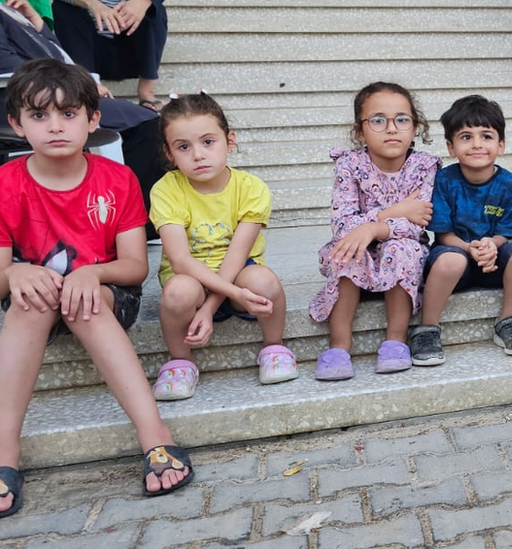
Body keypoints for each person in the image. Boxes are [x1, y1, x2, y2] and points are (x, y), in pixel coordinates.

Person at [0, 58, 191, 519]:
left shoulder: (118, 179)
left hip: (106, 296)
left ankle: (154, 436)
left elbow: (133, 268)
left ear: (93, 119)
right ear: (16, 124)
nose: (55, 127)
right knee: (28, 303)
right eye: (39, 115)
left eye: (69, 114)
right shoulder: (5, 183)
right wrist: (14, 274)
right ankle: (5, 455)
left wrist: (92, 274)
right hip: (34, 298)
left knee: (83, 303)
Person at [149, 93, 297, 400]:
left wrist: (212, 306)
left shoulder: (251, 188)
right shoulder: (166, 189)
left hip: (238, 274)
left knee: (264, 282)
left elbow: (238, 254)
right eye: (184, 147)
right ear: (169, 153)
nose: (198, 155)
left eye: (208, 141)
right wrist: (214, 300)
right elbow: (180, 261)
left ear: (229, 141)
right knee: (179, 292)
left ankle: (274, 347)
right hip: (192, 280)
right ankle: (180, 362)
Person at [0, 0, 166, 240]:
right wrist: (78, 84)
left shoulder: (14, 12)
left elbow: (56, 53)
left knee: (145, 118)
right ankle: (139, 227)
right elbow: (9, 65)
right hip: (37, 101)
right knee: (143, 123)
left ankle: (133, 224)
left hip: (59, 93)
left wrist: (36, 24)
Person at [309, 82, 441, 379]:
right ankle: (339, 346)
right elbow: (344, 224)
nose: (391, 129)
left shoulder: (425, 166)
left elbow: (419, 220)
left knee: (401, 249)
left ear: (415, 126)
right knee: (348, 250)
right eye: (378, 120)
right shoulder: (349, 165)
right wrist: (388, 215)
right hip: (358, 249)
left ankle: (395, 341)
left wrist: (374, 228)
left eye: (402, 120)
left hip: (403, 251)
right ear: (360, 131)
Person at [409, 95, 512, 366]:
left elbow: (509, 231)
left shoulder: (510, 184)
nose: (477, 144)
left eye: (486, 136)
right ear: (451, 147)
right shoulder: (444, 180)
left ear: (500, 145)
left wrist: (492, 244)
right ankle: (427, 329)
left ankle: (508, 322)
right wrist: (469, 248)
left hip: (496, 261)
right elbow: (443, 234)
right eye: (466, 137)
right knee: (449, 257)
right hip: (458, 261)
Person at [52, 0, 167, 110]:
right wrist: (93, 4)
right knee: (62, 7)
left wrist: (143, 2)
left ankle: (146, 91)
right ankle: (90, 85)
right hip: (87, 52)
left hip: (129, 47)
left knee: (154, 9)